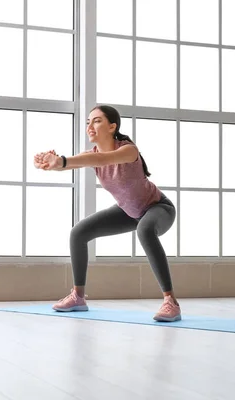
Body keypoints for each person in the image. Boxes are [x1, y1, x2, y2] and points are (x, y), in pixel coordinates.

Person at [33, 105, 180, 322]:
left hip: (158, 208)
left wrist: (62, 161)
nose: (90, 126)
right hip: (128, 211)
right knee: (79, 232)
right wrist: (50, 162)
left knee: (145, 229)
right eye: (88, 122)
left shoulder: (129, 150)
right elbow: (75, 163)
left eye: (97, 121)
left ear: (112, 127)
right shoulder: (90, 155)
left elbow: (102, 160)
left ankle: (171, 302)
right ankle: (78, 297)